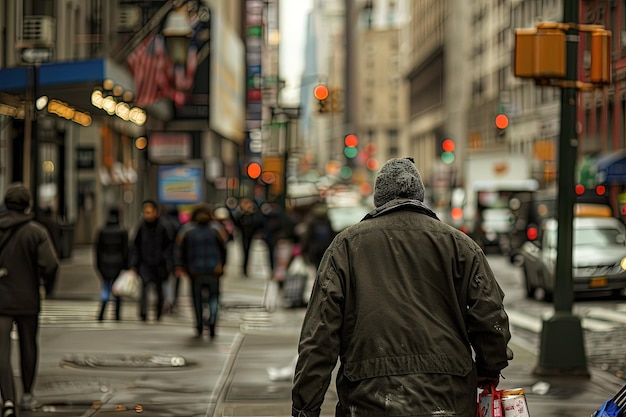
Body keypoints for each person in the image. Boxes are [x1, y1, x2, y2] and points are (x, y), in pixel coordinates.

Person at [291, 158, 512, 417]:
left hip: (367, 398)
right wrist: (490, 367)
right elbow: (489, 316)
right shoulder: (461, 246)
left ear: (378, 199)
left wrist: (305, 407)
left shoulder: (346, 246)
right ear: (420, 196)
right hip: (448, 396)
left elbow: (319, 336)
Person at [0, 184, 59, 416]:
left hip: (1, 300)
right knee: (28, 346)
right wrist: (45, 285)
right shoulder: (36, 231)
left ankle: (7, 399)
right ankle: (26, 395)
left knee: (2, 351)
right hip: (27, 297)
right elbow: (51, 264)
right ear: (27, 204)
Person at [174, 203, 228, 339]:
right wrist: (222, 265)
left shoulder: (187, 231)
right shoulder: (217, 230)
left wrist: (183, 266)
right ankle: (212, 321)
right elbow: (224, 250)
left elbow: (181, 251)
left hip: (195, 271)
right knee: (214, 298)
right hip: (213, 270)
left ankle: (199, 324)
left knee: (197, 299)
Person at [129, 200, 173, 322]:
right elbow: (135, 247)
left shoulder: (164, 227)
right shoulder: (141, 227)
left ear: (156, 212)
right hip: (144, 263)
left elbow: (169, 246)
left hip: (160, 264)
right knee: (144, 289)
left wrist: (166, 260)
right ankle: (143, 313)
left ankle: (158, 312)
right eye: (145, 212)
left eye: (149, 212)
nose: (147, 215)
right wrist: (134, 264)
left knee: (159, 290)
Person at [94, 208, 129, 321]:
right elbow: (126, 251)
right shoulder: (122, 231)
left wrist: (98, 265)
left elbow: (97, 250)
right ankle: (117, 314)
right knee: (117, 289)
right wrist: (126, 266)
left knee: (105, 288)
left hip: (105, 263)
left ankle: (101, 313)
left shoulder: (102, 231)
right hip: (118, 264)